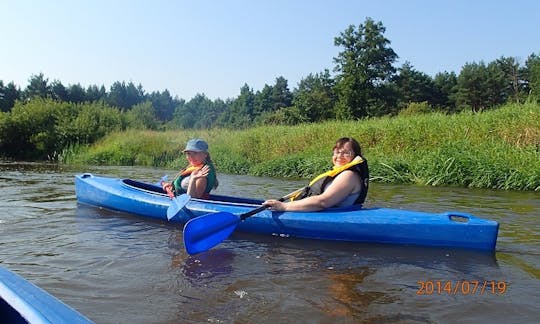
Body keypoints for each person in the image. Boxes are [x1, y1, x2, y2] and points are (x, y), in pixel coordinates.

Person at [263, 137, 368, 212]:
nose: (340, 156)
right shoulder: (342, 173)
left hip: (330, 217)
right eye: (337, 152)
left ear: (355, 156)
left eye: (346, 153)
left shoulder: (348, 176)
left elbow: (322, 202)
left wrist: (283, 207)